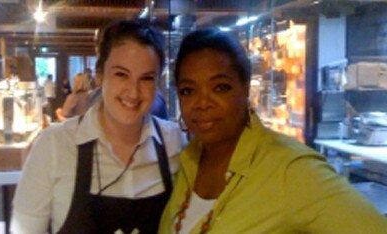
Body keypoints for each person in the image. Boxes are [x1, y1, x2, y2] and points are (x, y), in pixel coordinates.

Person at [159, 28, 387, 233]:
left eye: (220, 87)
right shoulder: (190, 158)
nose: (202, 103)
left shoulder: (289, 169)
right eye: (188, 90)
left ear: (245, 89)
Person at [11, 19, 187, 234]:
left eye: (147, 78)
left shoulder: (174, 142)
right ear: (100, 75)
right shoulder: (54, 145)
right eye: (121, 74)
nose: (133, 92)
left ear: (158, 82)